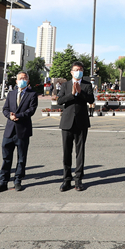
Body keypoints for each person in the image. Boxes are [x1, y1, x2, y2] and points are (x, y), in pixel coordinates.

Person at [0, 71, 39, 193]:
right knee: (6, 158)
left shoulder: (32, 94)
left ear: (28, 81)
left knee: (21, 158)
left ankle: (18, 180)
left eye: (24, 78)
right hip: (9, 130)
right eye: (20, 78)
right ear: (16, 81)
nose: (22, 80)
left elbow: (31, 110)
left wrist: (18, 115)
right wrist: (10, 116)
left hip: (23, 130)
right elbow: (5, 109)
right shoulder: (11, 94)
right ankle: (3, 182)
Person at [55, 61, 94, 191]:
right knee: (67, 152)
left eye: (81, 69)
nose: (78, 71)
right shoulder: (65, 85)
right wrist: (71, 94)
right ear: (71, 72)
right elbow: (59, 101)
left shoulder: (87, 85)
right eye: (76, 69)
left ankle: (78, 179)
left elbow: (91, 100)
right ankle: (66, 179)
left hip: (82, 122)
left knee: (80, 152)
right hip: (67, 122)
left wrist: (80, 92)